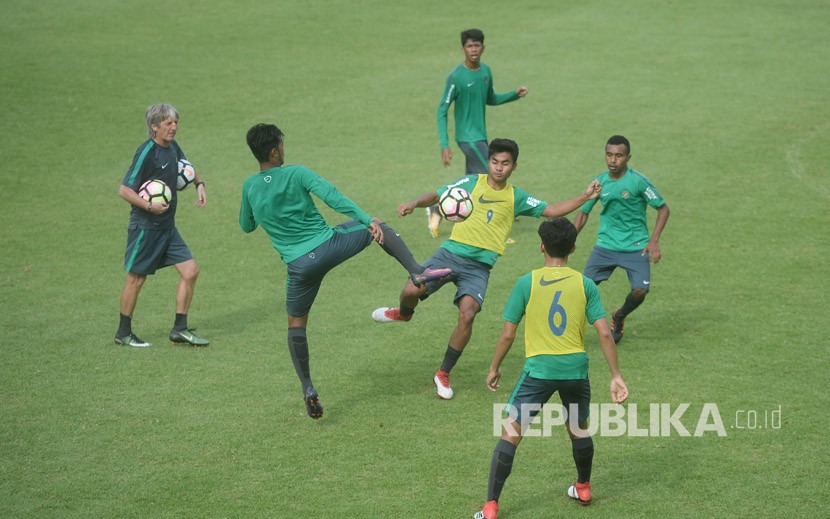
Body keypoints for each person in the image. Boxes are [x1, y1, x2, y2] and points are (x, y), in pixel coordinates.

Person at [239, 124, 451, 420]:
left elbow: (247, 226)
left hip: (299, 267)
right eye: (282, 146)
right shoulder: (297, 173)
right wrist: (367, 220)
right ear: (274, 151)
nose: (284, 150)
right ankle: (417, 272)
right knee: (375, 223)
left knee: (296, 325)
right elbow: (333, 197)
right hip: (329, 246)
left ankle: (308, 387)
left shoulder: (250, 187)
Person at [372, 138, 600, 400]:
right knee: (411, 289)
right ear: (488, 162)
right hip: (450, 253)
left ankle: (443, 373)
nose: (499, 168)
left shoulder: (517, 196)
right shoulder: (471, 183)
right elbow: (438, 195)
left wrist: (586, 196)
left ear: (514, 166)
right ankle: (403, 313)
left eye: (505, 163)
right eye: (494, 162)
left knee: (468, 314)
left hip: (478, 268)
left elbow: (551, 210)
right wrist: (413, 203)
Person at [473, 217, 629, 519]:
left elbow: (507, 334)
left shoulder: (526, 282)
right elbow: (604, 333)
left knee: (511, 434)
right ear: (573, 247)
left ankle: (491, 506)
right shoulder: (585, 284)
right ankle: (582, 487)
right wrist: (616, 376)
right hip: (575, 369)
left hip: (539, 371)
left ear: (541, 246)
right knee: (578, 428)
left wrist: (494, 367)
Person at [115, 103, 209, 348]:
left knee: (190, 271)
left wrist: (200, 184)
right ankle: (123, 333)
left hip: (167, 228)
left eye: (175, 122)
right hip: (146, 228)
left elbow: (187, 168)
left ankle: (179, 329)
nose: (174, 127)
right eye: (168, 123)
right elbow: (124, 190)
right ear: (154, 127)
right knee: (136, 279)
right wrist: (149, 207)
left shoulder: (172, 147)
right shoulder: (147, 152)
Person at [427, 28, 528, 239]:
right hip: (467, 137)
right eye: (469, 46)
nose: (473, 50)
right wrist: (444, 144)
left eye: (477, 45)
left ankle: (437, 208)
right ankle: (496, 225)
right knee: (491, 176)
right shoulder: (456, 77)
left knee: (471, 180)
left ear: (483, 47)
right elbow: (441, 110)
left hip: (480, 135)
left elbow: (490, 98)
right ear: (462, 49)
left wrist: (514, 95)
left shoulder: (485, 72)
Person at [574, 135, 670, 343]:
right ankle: (570, 332)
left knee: (640, 291)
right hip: (605, 246)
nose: (613, 160)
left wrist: (654, 240)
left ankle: (620, 315)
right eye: (609, 155)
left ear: (628, 157)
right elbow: (583, 213)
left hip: (636, 246)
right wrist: (570, 238)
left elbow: (663, 208)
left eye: (618, 156)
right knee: (581, 291)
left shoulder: (638, 181)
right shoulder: (600, 183)